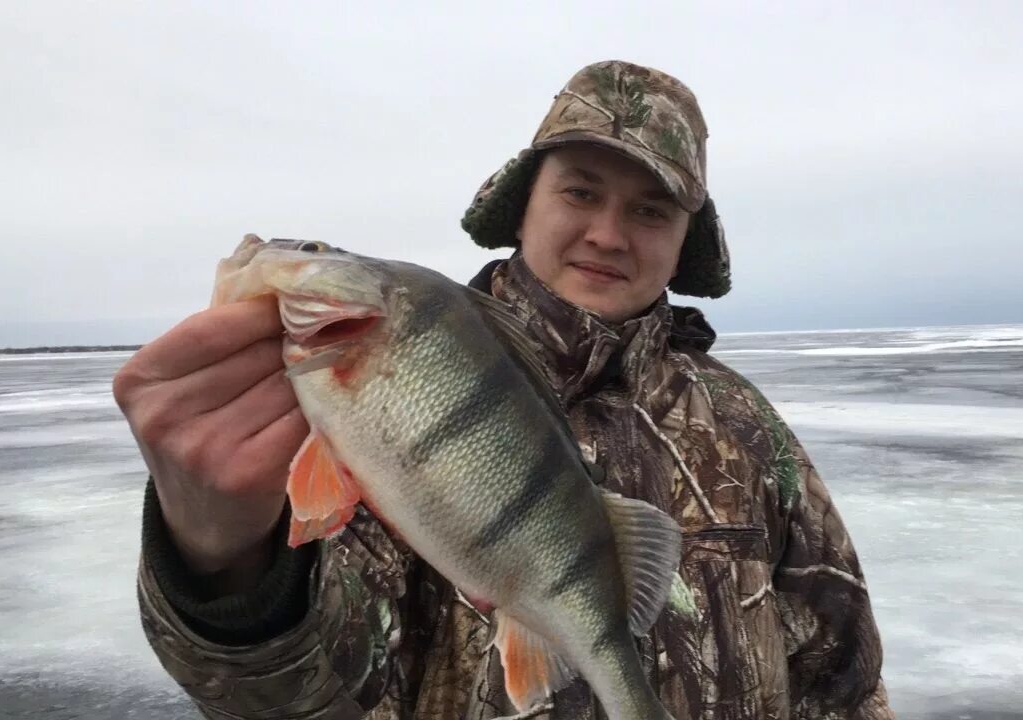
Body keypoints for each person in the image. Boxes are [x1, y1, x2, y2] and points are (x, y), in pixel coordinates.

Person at [114, 60, 894, 720]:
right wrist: (222, 562)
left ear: (684, 242)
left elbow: (845, 680)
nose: (609, 234)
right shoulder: (376, 390)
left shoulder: (748, 430)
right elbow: (308, 695)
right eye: (581, 193)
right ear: (523, 204)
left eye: (651, 211)